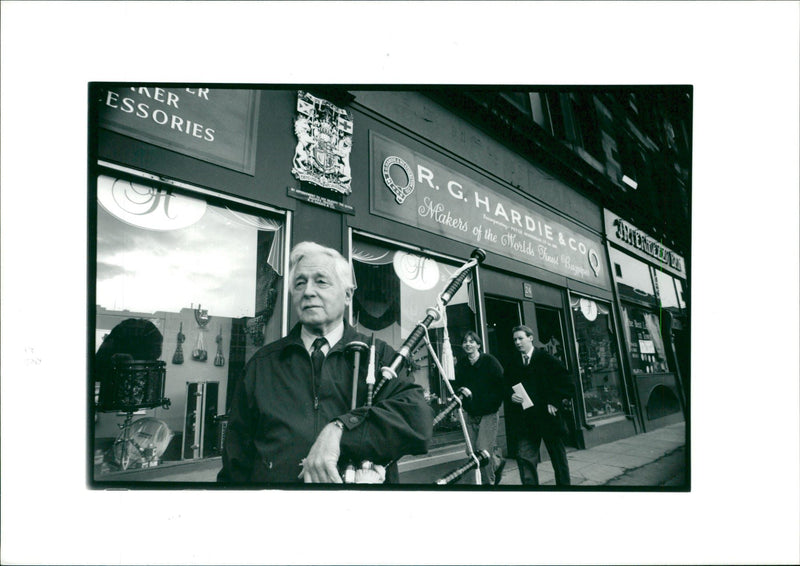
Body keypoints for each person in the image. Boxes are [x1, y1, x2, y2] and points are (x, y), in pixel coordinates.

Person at [218, 241, 433, 484]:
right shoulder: (262, 365)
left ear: (348, 295)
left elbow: (418, 423)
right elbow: (235, 463)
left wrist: (341, 429)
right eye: (300, 283)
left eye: (321, 281)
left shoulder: (380, 356)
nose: (308, 291)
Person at [505, 325, 573, 485]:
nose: (517, 342)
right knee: (525, 458)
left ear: (530, 338)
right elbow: (505, 384)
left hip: (548, 418)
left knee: (558, 459)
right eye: (515, 339)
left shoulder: (546, 358)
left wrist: (555, 402)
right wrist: (510, 395)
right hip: (527, 420)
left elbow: (567, 381)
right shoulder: (514, 362)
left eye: (520, 338)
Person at [453, 330, 506, 485]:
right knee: (471, 452)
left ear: (478, 344)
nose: (468, 344)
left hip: (488, 413)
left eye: (471, 341)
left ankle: (488, 484)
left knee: (483, 451)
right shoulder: (462, 364)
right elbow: (458, 385)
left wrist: (492, 404)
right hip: (470, 413)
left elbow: (502, 384)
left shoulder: (489, 361)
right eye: (465, 341)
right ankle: (497, 463)